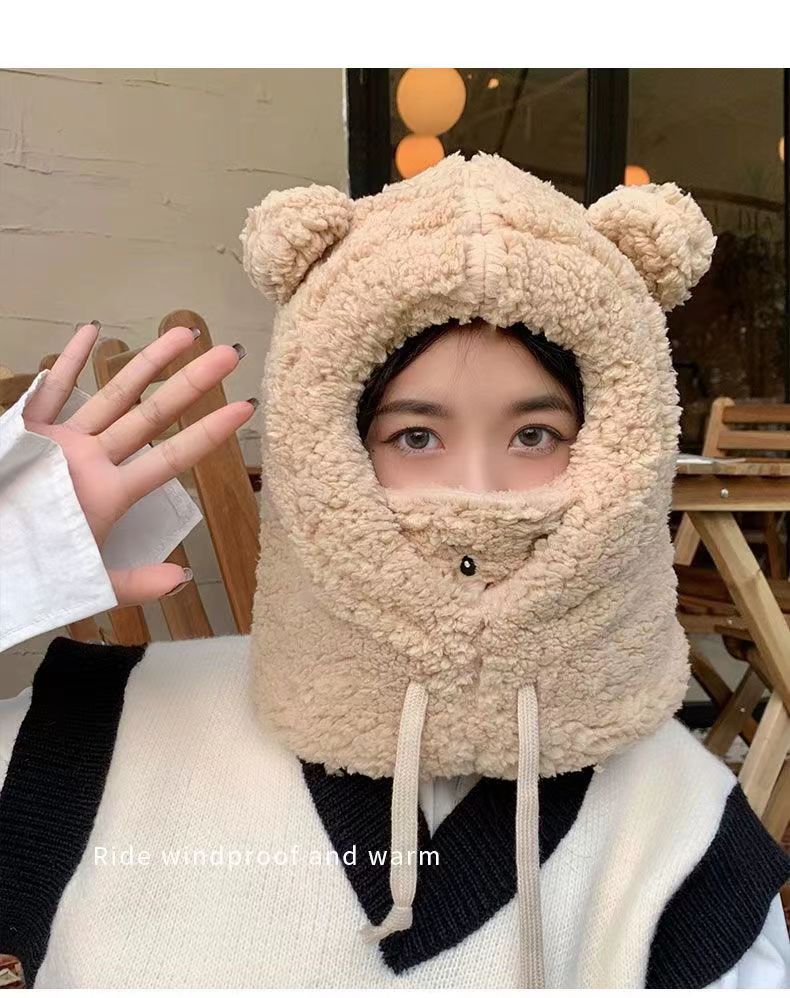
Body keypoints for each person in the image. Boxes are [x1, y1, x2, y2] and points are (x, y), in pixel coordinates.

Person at [0, 151, 787, 989]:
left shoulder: (685, 825)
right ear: (327, 444)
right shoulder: (82, 738)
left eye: (535, 436)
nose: (476, 491)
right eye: (416, 436)